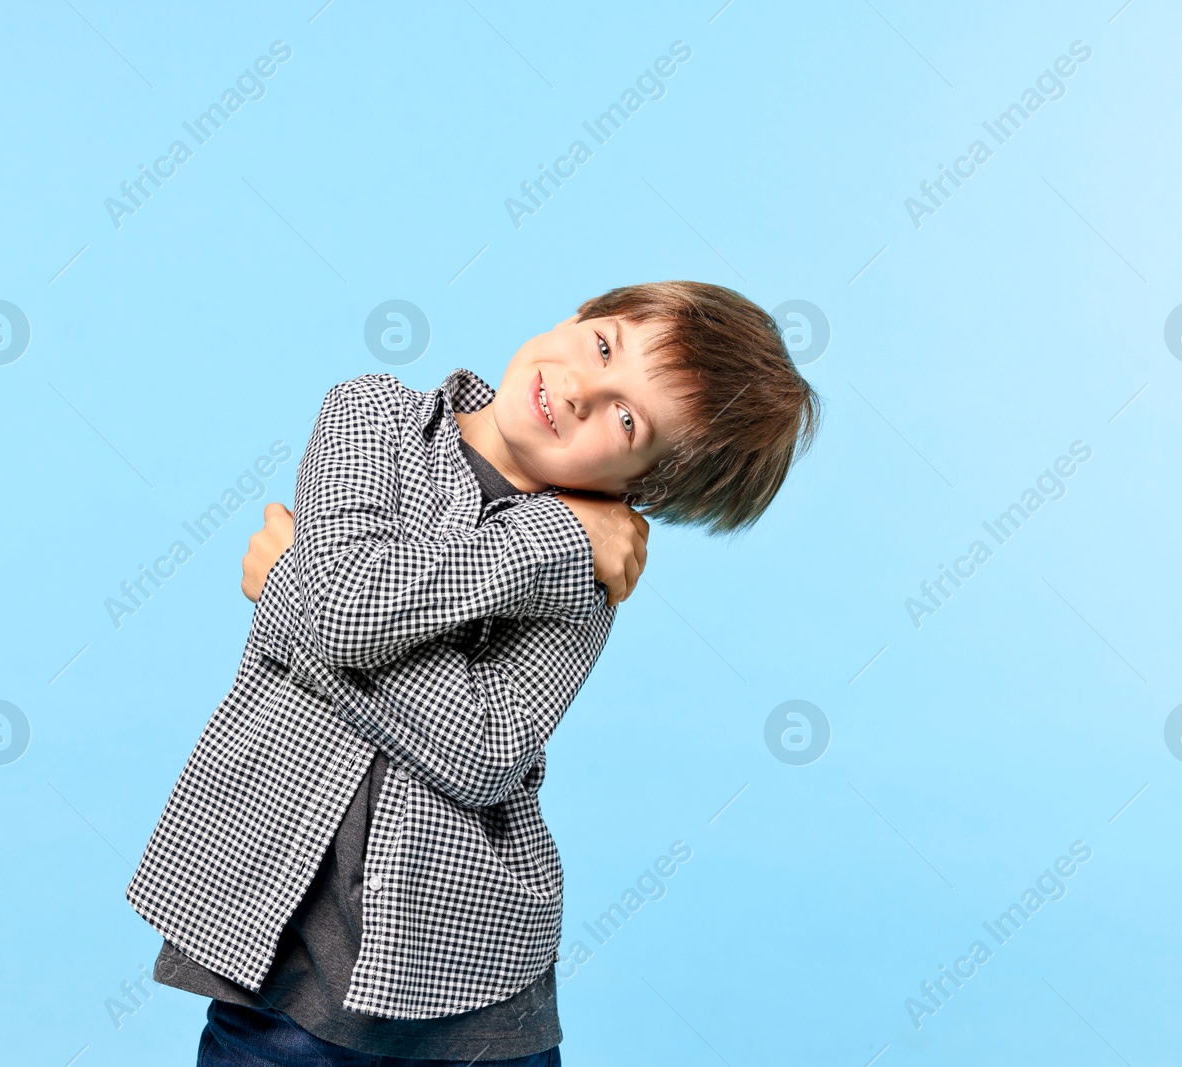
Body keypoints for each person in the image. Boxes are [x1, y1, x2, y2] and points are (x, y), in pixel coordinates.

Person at [125, 281, 822, 1065]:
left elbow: (483, 752)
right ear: (582, 314)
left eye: (628, 420)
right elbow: (349, 607)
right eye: (603, 348)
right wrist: (552, 536)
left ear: (645, 486)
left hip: (469, 981)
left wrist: (288, 584)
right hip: (281, 951)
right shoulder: (373, 416)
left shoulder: (591, 569)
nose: (581, 390)